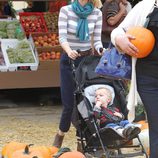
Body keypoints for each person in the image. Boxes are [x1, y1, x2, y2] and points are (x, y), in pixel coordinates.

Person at [53, 0, 103, 148]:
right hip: (69, 59)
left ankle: (81, 140)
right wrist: (69, 51)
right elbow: (62, 37)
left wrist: (101, 50)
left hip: (86, 62)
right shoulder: (66, 10)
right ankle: (61, 132)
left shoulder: (97, 13)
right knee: (69, 103)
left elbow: (97, 40)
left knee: (84, 101)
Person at [111, 0, 158, 157]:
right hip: (149, 78)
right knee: (156, 123)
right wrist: (120, 40)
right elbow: (117, 32)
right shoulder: (147, 6)